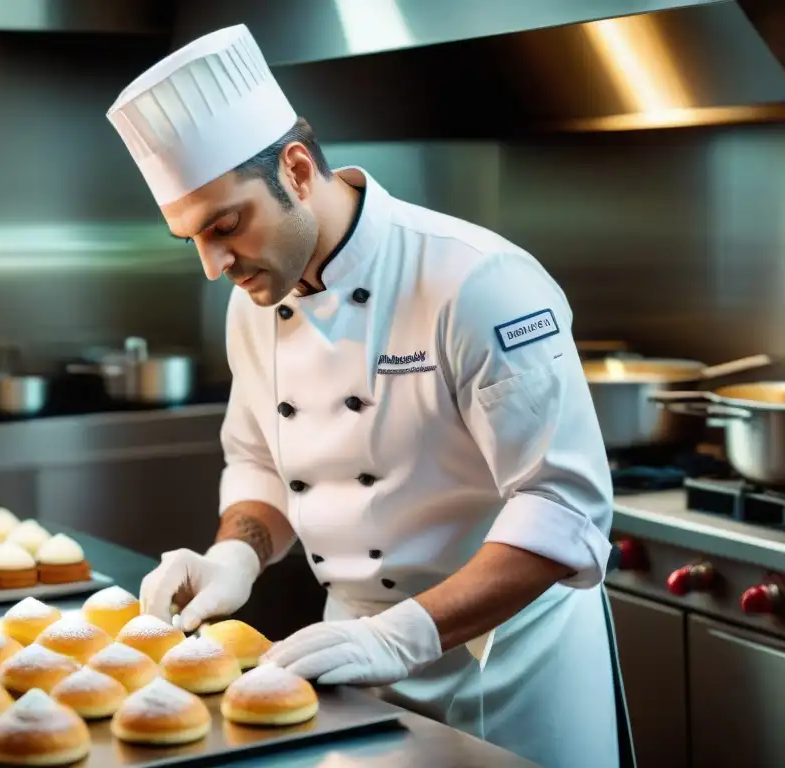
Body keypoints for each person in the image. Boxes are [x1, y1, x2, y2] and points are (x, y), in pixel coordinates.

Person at [106, 24, 627, 768]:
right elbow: (259, 462)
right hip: (349, 663)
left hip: (506, 670)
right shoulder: (252, 304)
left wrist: (400, 635)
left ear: (294, 168)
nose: (213, 266)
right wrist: (234, 557)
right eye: (188, 238)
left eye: (224, 226)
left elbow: (564, 508)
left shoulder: (476, 281)